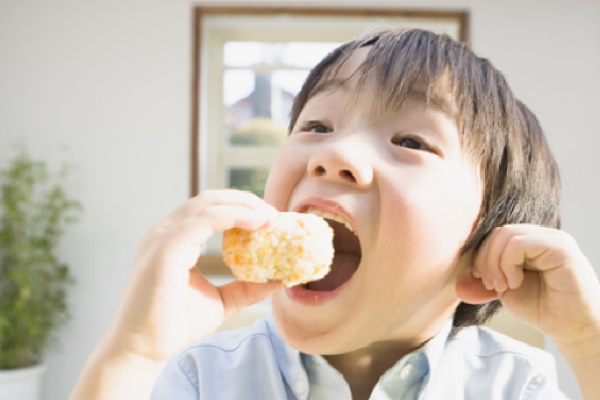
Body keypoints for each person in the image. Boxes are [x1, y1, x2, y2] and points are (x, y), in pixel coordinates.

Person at [70, 29, 600, 399]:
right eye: (317, 126)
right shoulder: (202, 378)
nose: (332, 155)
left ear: (482, 255)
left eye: (411, 140)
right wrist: (132, 354)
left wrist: (588, 342)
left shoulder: (515, 385)